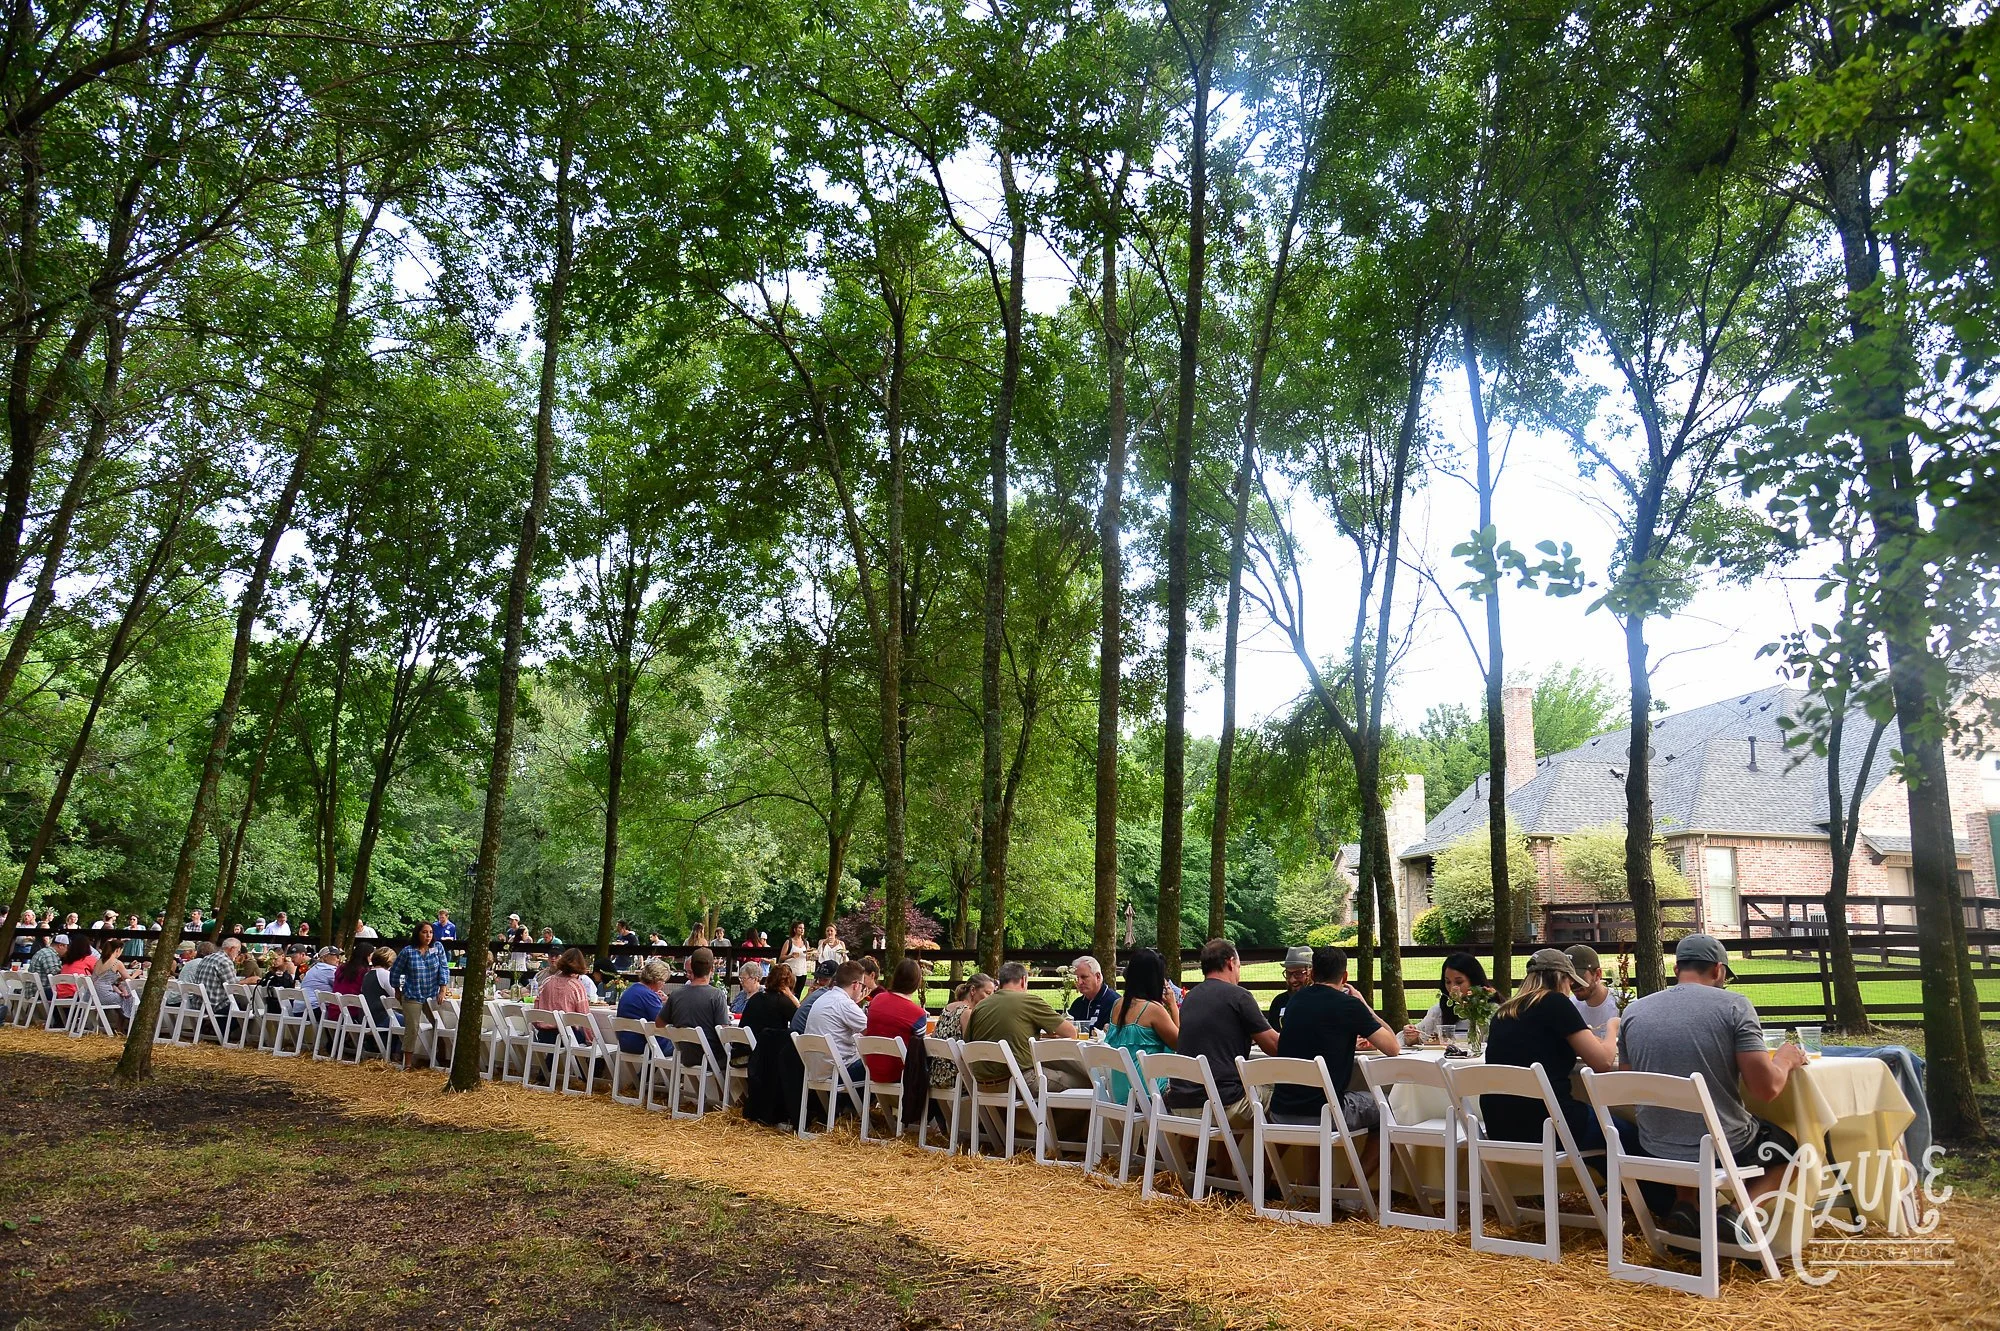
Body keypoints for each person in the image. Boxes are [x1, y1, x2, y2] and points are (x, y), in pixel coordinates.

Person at [1621, 934, 1807, 1212]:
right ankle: (1736, 1215)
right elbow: (1765, 1089)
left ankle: (1686, 1205)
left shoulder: (1633, 1012)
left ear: (1677, 970)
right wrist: (1785, 1059)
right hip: (1723, 1146)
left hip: (1656, 1146)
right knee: (1792, 1154)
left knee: (1685, 1124)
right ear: (1718, 969)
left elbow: (1629, 1084)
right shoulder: (1733, 1006)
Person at [1482, 948, 1633, 1156]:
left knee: (1601, 1152)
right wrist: (1613, 1026)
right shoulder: (1555, 1002)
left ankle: (1599, 1187)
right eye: (1569, 983)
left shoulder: (1504, 1012)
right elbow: (1603, 1063)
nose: (1570, 990)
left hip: (1501, 1127)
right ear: (1561, 978)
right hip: (1550, 1125)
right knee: (1630, 1137)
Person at [1266, 946, 1399, 1127]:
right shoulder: (1350, 1005)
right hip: (1326, 1113)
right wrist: (1364, 1005)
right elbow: (1392, 1047)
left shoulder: (1294, 1002)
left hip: (1281, 1112)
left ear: (1312, 974)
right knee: (1393, 1106)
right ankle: (1362, 1158)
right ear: (1344, 977)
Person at [1164, 939, 1279, 1130]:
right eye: (1239, 967)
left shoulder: (1190, 998)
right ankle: (1265, 1161)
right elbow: (1274, 1047)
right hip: (1223, 1105)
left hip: (1182, 1103)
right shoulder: (1239, 996)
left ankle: (1224, 1161)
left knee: (1243, 1093)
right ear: (1230, 963)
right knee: (1281, 1094)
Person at [966, 961, 1082, 1089]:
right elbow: (1071, 1032)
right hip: (1018, 1082)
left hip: (983, 1085)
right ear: (1023, 980)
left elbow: (967, 1043)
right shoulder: (1029, 1001)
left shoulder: (980, 1006)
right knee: (1084, 1083)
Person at [1103, 948, 1179, 1105]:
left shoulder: (1117, 1005)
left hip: (1121, 1092)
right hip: (1148, 1093)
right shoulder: (1153, 1009)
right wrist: (1173, 1006)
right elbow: (1180, 1043)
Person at [741, 962, 802, 1127]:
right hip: (771, 1059)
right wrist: (792, 999)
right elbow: (801, 1023)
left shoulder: (755, 999)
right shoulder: (783, 1002)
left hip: (750, 1054)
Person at [390, 921, 450, 1072]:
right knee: (412, 1027)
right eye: (424, 932)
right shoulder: (408, 951)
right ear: (418, 934)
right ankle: (408, 1064)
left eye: (430, 932)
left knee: (440, 1023)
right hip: (413, 993)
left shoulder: (437, 948)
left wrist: (443, 989)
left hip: (432, 994)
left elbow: (444, 968)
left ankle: (442, 1057)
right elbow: (395, 971)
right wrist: (397, 989)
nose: (428, 935)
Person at [802, 959, 870, 1086]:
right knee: (884, 1063)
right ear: (856, 985)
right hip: (838, 1073)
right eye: (862, 985)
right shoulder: (845, 1004)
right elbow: (872, 1033)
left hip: (815, 1071)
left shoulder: (823, 999)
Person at [1402, 952, 1495, 1043]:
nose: (1452, 988)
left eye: (1459, 982)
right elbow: (1419, 1036)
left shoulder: (1492, 1011)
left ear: (1474, 981)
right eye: (1448, 982)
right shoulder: (1439, 1012)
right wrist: (1411, 1036)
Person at [863, 957, 928, 1084]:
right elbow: (920, 1048)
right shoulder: (918, 1014)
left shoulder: (876, 1000)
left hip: (872, 1069)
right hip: (900, 1073)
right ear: (917, 982)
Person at [663, 946, 731, 1070]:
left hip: (686, 1057)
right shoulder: (716, 995)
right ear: (712, 969)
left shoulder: (676, 994)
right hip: (711, 1058)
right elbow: (724, 1032)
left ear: (692, 968)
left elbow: (659, 1023)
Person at [930, 973, 994, 1087]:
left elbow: (934, 1036)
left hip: (936, 1074)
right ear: (973, 990)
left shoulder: (948, 1008)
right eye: (988, 993)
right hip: (956, 1078)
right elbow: (971, 1049)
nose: (991, 998)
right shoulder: (967, 1013)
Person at [530, 947, 594, 1041]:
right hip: (567, 1036)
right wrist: (591, 1040)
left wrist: (540, 1026)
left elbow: (537, 1008)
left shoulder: (547, 982)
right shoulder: (576, 986)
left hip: (544, 1035)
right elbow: (584, 1017)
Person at [1565, 943, 1620, 1039]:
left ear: (1598, 974)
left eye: (1579, 978)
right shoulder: (1569, 1008)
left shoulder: (1623, 1005)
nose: (1573, 984)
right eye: (1567, 978)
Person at [616, 959, 673, 1053]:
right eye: (664, 981)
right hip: (644, 1045)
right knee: (683, 1046)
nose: (663, 985)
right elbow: (662, 1021)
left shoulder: (630, 990)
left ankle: (648, 1068)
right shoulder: (648, 996)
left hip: (626, 1043)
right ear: (658, 981)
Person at [184, 938, 243, 1019]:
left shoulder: (206, 958)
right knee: (244, 1009)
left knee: (237, 1007)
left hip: (198, 1004)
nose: (238, 954)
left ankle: (211, 1027)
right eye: (238, 951)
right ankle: (219, 1030)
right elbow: (233, 988)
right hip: (213, 1006)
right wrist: (248, 981)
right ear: (232, 949)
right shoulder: (225, 961)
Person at [360, 947, 398, 1052]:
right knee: (409, 1021)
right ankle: (397, 1052)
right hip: (380, 1018)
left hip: (366, 1018)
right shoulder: (384, 974)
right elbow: (396, 996)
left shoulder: (367, 974)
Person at [93, 936, 137, 1027]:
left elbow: (106, 978)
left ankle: (119, 1027)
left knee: (122, 996)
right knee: (130, 999)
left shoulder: (99, 961)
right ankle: (128, 1025)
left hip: (94, 995)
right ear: (117, 950)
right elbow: (129, 980)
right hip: (104, 995)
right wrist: (136, 973)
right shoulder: (117, 963)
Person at [1067, 955, 1118, 1032]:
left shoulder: (1115, 1003)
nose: (1079, 982)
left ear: (1098, 977)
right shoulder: (1077, 1004)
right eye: (1076, 978)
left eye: (1084, 977)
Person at [1268, 945, 1313, 1030]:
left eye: (1298, 974)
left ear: (1311, 972)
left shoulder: (1321, 1001)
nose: (1292, 980)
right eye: (1288, 974)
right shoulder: (1279, 1002)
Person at [790, 959, 840, 1035]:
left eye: (825, 980)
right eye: (819, 978)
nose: (821, 982)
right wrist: (808, 995)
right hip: (803, 1037)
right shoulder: (825, 995)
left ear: (835, 981)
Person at [56, 933, 97, 998]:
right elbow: (99, 974)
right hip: (77, 996)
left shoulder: (66, 961)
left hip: (60, 996)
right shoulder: (89, 959)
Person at [504, 914, 532, 983]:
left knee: (514, 983)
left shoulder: (517, 938)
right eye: (526, 933)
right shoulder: (511, 933)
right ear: (521, 934)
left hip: (515, 966)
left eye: (512, 920)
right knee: (525, 983)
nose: (510, 922)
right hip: (520, 966)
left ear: (517, 921)